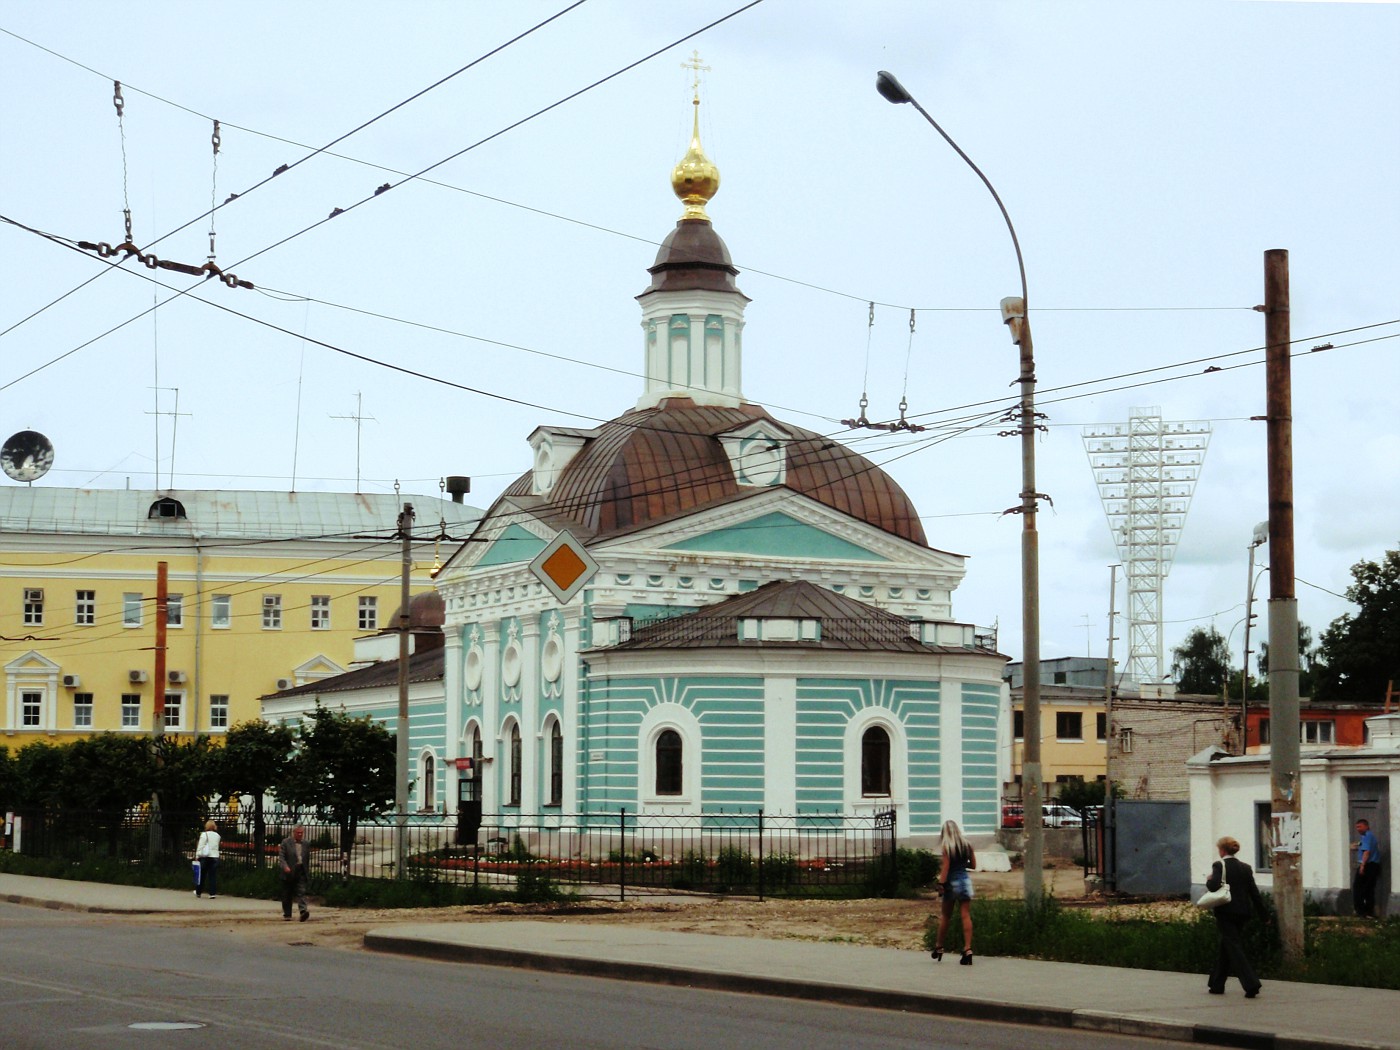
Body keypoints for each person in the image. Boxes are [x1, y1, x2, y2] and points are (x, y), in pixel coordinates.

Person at [1205, 835, 1266, 999]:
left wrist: (1209, 880)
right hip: (1243, 913)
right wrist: (1264, 915)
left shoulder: (1219, 865)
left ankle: (1251, 983)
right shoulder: (1246, 868)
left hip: (1225, 913)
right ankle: (1216, 984)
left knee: (1233, 946)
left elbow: (1213, 886)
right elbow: (1254, 893)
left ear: (1222, 850)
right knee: (1227, 945)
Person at [932, 820, 976, 965]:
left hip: (952, 883)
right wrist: (963, 864)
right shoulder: (967, 844)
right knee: (965, 915)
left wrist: (941, 884)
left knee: (946, 916)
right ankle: (968, 949)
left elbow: (946, 868)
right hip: (965, 881)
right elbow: (974, 865)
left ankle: (939, 946)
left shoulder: (947, 847)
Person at [278, 825, 310, 922]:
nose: (300, 834)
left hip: (300, 870)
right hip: (289, 871)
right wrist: (285, 866)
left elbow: (307, 859)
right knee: (287, 893)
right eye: (298, 832)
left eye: (301, 832)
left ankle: (303, 911)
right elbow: (281, 857)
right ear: (293, 832)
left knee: (302, 891)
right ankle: (287, 913)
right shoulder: (286, 842)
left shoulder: (306, 843)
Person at [1352, 818, 1383, 918]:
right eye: (1357, 827)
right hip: (1372, 866)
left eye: (1360, 826)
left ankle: (1362, 912)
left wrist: (1362, 866)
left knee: (1359, 889)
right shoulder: (1366, 837)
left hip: (1368, 866)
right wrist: (1356, 845)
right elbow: (1362, 845)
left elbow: (1367, 852)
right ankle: (1368, 912)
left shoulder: (1367, 836)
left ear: (1366, 826)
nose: (1358, 829)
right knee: (1368, 889)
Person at [194, 819, 220, 899]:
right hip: (215, 856)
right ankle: (212, 893)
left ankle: (198, 892)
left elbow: (201, 846)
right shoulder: (218, 836)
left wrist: (197, 855)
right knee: (212, 875)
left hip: (205, 857)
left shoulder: (204, 835)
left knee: (202, 875)